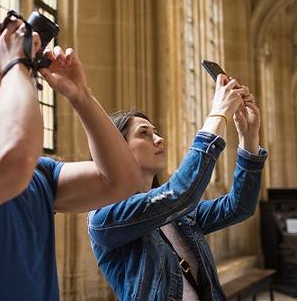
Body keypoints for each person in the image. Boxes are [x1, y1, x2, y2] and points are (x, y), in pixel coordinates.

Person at [0, 18, 144, 300]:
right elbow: (12, 159)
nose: (19, 68)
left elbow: (122, 182)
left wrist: (80, 95)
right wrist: (16, 65)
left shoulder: (41, 174)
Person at [88, 75, 268, 301]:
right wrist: (217, 114)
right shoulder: (105, 217)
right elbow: (179, 194)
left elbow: (238, 206)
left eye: (156, 132)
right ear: (116, 148)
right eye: (144, 133)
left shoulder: (178, 216)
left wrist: (248, 138)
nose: (159, 138)